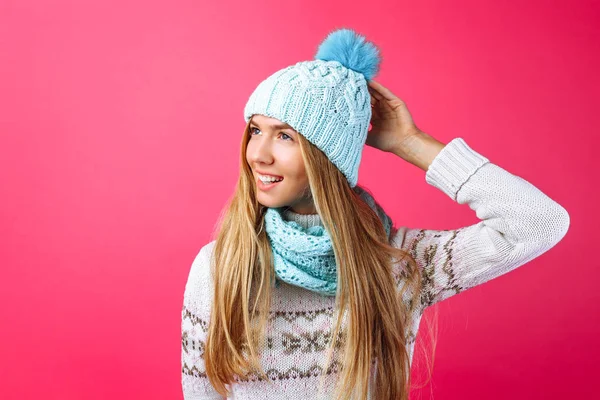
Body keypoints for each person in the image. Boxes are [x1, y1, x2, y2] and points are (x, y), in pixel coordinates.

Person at [181, 28, 570, 400]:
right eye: (255, 130)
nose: (258, 154)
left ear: (328, 157)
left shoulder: (400, 263)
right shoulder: (221, 266)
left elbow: (538, 222)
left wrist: (410, 143)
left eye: (285, 136)